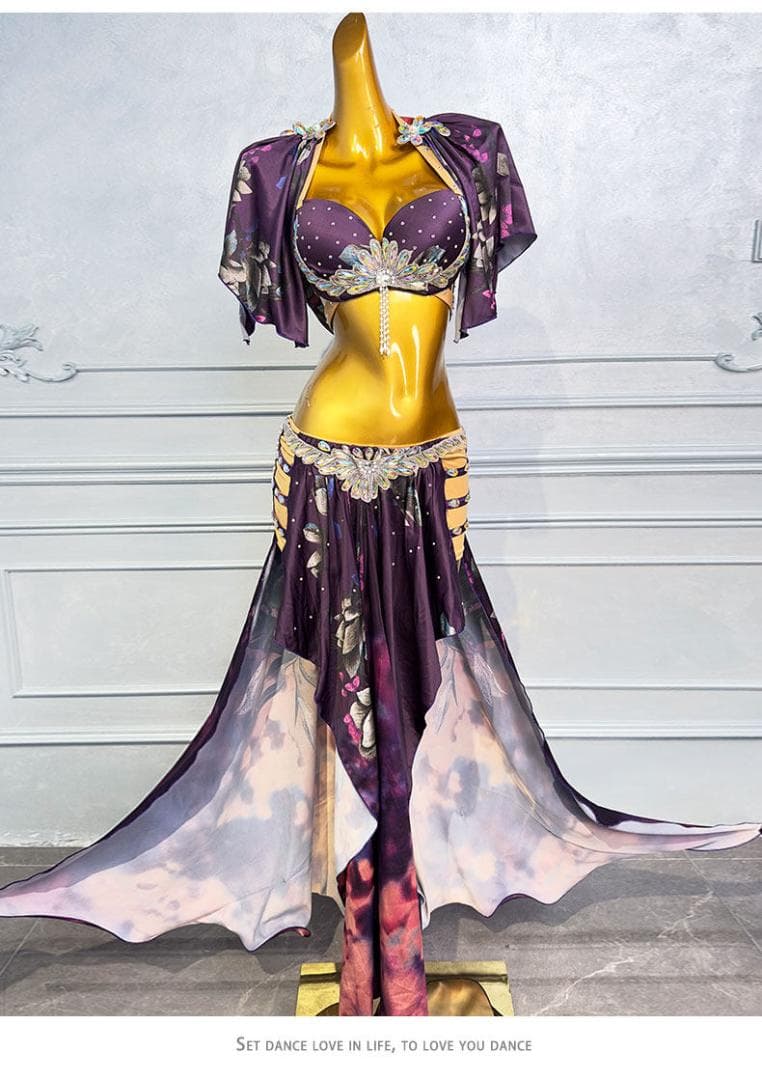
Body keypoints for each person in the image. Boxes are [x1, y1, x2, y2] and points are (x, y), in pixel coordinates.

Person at [0, 14, 759, 1019]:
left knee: (431, 695)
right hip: (326, 463)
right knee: (345, 702)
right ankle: (376, 957)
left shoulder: (468, 152)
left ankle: (396, 939)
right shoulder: (273, 169)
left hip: (429, 467)